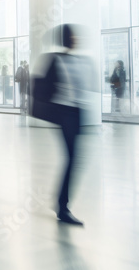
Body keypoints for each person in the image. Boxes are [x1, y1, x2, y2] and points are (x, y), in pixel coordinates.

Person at [31, 24, 93, 226]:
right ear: (65, 39)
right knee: (72, 158)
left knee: (74, 158)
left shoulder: (82, 61)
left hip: (76, 113)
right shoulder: (54, 59)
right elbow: (38, 87)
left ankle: (62, 205)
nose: (76, 39)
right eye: (72, 36)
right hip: (64, 112)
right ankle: (62, 207)